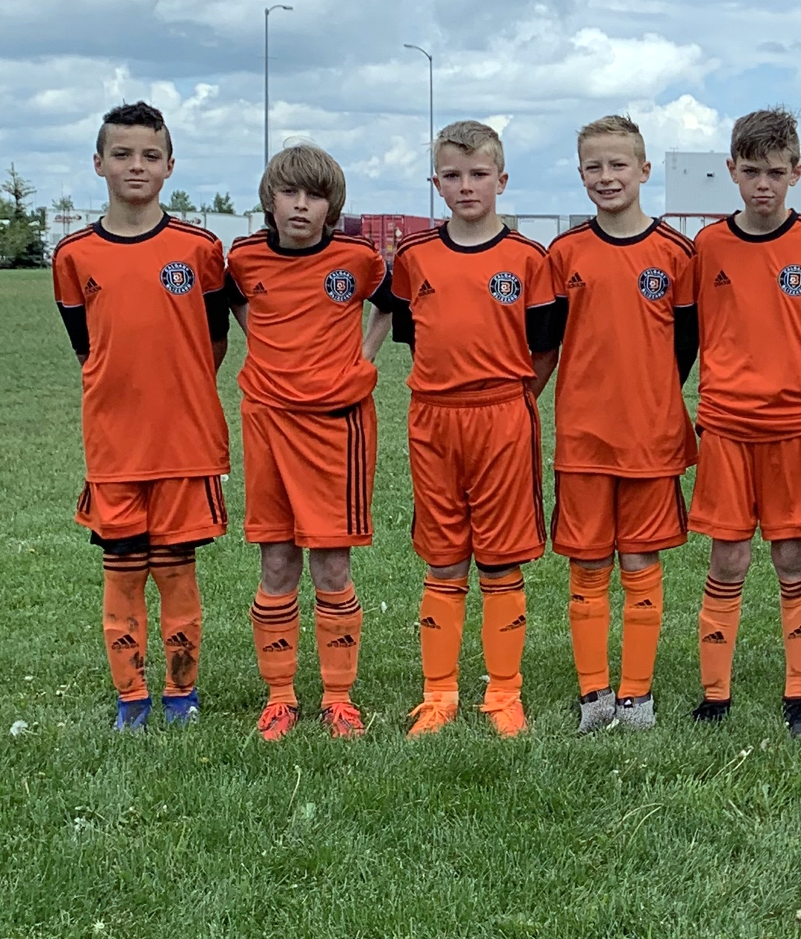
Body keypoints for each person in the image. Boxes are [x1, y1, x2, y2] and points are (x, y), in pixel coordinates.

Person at [374, 120, 562, 739]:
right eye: (452, 176)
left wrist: (508, 401)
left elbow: (543, 351)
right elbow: (412, 337)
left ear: (502, 180)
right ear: (436, 184)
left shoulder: (529, 260)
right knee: (444, 556)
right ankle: (439, 694)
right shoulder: (415, 258)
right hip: (433, 419)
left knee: (502, 559)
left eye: (478, 174)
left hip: (503, 415)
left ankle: (505, 693)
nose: (466, 185)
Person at [52, 102, 230, 731]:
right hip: (114, 448)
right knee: (123, 573)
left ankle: (182, 695)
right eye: (122, 154)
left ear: (170, 166)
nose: (136, 165)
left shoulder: (200, 249)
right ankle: (131, 698)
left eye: (150, 155)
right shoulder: (73, 255)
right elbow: (86, 348)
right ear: (98, 163)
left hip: (184, 444)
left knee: (177, 571)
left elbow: (213, 344)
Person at [685, 108, 801, 736]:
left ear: (796, 173)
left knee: (791, 555)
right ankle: (715, 696)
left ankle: (798, 695)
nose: (763, 184)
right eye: (750, 171)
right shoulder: (706, 246)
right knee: (726, 559)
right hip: (726, 426)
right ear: (731, 170)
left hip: (795, 427)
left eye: (775, 172)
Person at [223, 141, 391, 740]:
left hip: (335, 426)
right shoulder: (242, 257)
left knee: (331, 560)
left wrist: (360, 363)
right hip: (267, 420)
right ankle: (280, 697)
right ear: (269, 201)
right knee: (275, 558)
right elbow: (236, 305)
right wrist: (264, 352)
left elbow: (389, 305)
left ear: (331, 206)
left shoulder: (356, 258)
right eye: (289, 193)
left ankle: (339, 699)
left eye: (314, 196)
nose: (300, 205)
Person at [545, 115, 699, 734]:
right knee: (586, 568)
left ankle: (636, 696)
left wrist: (654, 398)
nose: (606, 177)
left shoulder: (675, 254)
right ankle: (593, 696)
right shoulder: (564, 254)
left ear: (643, 170)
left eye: (618, 165)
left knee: (639, 563)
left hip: (650, 440)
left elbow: (685, 345)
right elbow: (549, 344)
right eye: (593, 167)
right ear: (581, 174)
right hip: (582, 441)